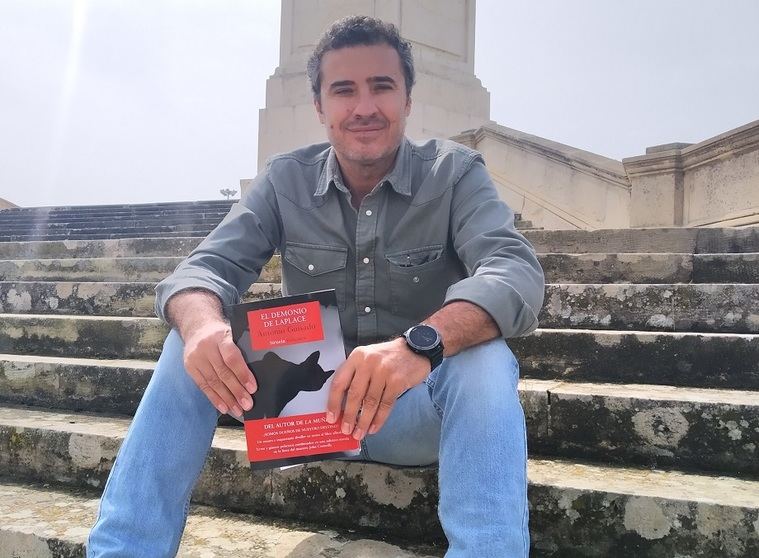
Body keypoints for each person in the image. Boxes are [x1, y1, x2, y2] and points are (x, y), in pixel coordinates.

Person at [87, 15, 544, 557]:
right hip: (311, 413)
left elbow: (513, 269)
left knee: (485, 359)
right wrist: (204, 326)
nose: (364, 107)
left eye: (381, 86)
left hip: (412, 414)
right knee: (188, 343)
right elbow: (202, 270)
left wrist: (417, 346)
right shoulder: (285, 180)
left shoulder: (456, 174)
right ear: (320, 106)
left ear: (407, 100)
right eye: (344, 90)